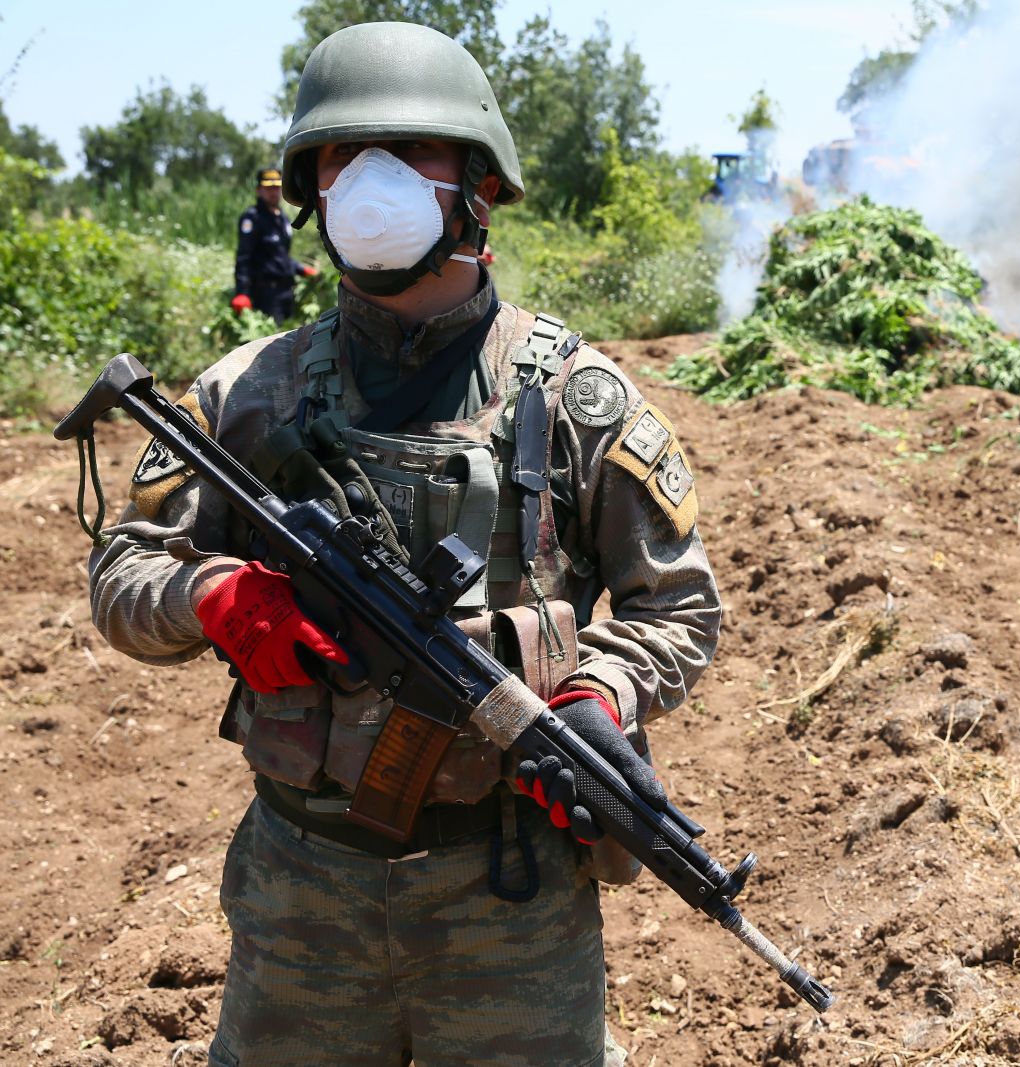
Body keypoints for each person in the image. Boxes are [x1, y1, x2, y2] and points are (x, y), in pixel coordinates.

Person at [87, 22, 721, 1066]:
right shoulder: (247, 393)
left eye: (410, 150)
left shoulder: (578, 399)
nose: (369, 178)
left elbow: (679, 607)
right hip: (303, 888)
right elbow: (122, 572)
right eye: (341, 155)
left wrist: (593, 691)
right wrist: (211, 593)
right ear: (310, 188)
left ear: (480, 185)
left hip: (510, 898)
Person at [232, 166, 318, 324]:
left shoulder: (282, 218)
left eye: (277, 187)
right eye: (268, 188)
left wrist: (301, 269)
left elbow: (280, 255)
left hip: (286, 290)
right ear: (259, 190)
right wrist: (241, 292)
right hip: (266, 294)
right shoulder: (252, 218)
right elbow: (243, 257)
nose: (274, 192)